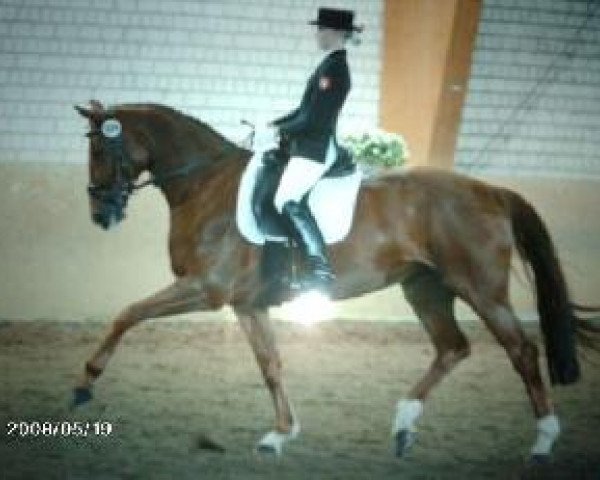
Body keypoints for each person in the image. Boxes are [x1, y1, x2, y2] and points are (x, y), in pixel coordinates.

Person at [269, 7, 362, 292]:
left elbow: (314, 119)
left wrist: (280, 131)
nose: (317, 34)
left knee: (286, 199)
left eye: (320, 29)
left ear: (334, 32)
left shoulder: (335, 68)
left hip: (315, 149)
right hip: (309, 145)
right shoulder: (327, 65)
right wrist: (274, 124)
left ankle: (320, 270)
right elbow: (303, 110)